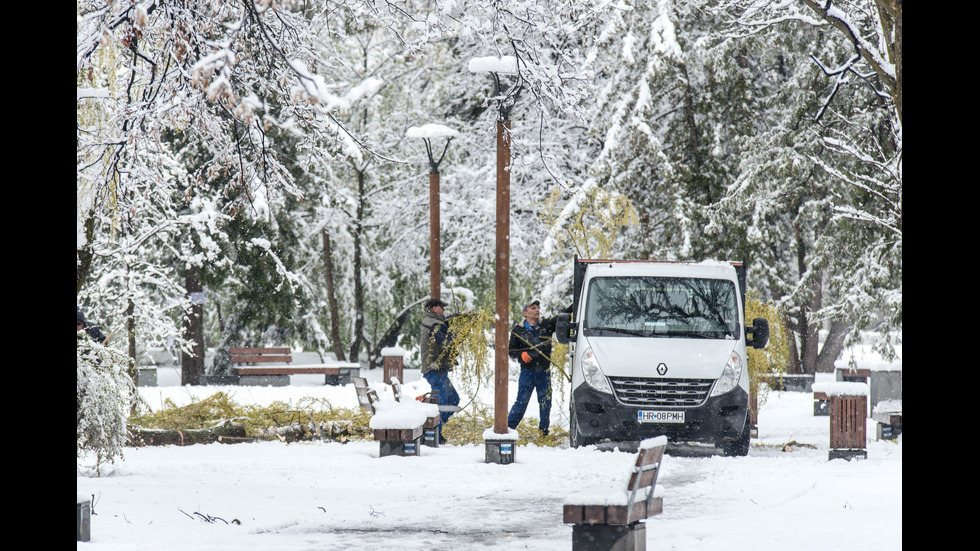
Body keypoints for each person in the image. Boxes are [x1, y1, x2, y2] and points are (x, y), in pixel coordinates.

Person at [507, 299, 559, 436]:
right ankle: (508, 428)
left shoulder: (546, 326)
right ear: (525, 313)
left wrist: (575, 305)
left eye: (537, 308)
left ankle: (543, 432)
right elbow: (510, 350)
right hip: (527, 373)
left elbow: (561, 317)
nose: (537, 310)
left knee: (545, 402)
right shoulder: (518, 330)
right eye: (533, 308)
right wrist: (521, 354)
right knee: (521, 402)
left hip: (544, 372)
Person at [419, 298, 461, 442]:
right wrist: (457, 334)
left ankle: (435, 426)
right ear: (435, 308)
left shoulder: (435, 322)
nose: (443, 310)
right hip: (433, 370)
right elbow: (446, 340)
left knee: (453, 399)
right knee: (441, 402)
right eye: (441, 307)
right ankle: (434, 433)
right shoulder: (433, 324)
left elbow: (444, 325)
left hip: (439, 370)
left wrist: (455, 319)